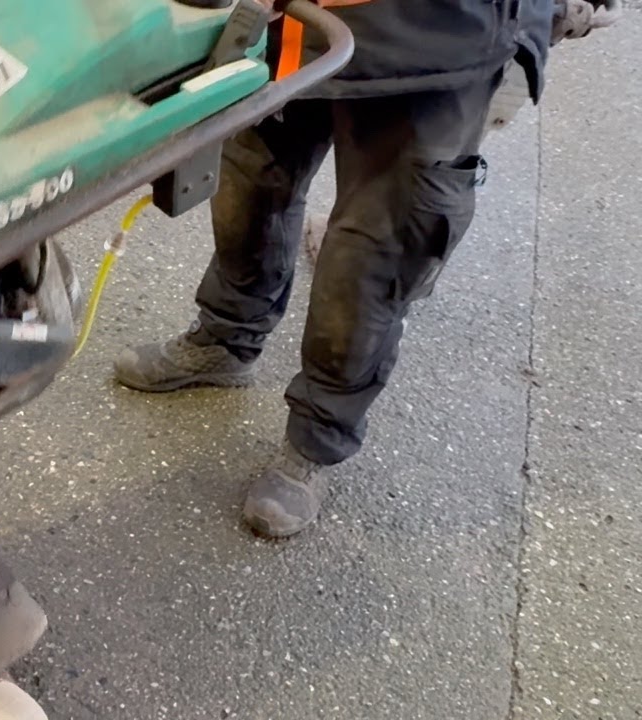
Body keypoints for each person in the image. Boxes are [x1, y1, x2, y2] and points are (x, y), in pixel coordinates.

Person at [113, 0, 555, 538]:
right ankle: (228, 339)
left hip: (435, 41)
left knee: (374, 250)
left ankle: (315, 439)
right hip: (292, 30)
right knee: (249, 180)